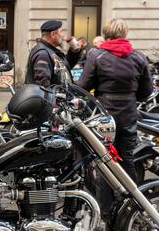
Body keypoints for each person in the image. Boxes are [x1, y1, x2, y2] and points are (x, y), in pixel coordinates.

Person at [78, 18, 152, 217]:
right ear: (125, 34)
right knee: (127, 159)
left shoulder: (97, 55)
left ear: (107, 33)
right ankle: (130, 207)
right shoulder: (138, 57)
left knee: (105, 160)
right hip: (128, 113)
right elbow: (146, 92)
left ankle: (106, 210)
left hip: (105, 115)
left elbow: (83, 86)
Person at [25, 20, 82, 87]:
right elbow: (43, 85)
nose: (62, 35)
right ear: (53, 34)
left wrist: (74, 52)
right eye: (61, 31)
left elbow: (64, 67)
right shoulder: (43, 54)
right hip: (50, 97)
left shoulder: (50, 50)